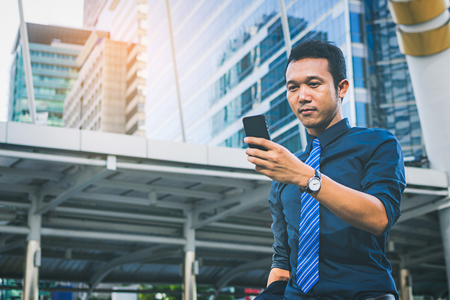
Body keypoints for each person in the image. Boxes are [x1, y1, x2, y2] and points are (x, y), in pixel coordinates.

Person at [244, 39, 406, 300]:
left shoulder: (377, 143)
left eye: (314, 84)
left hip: (362, 293)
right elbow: (282, 259)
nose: (302, 96)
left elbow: (379, 218)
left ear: (341, 88)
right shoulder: (286, 169)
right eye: (293, 88)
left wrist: (306, 177)